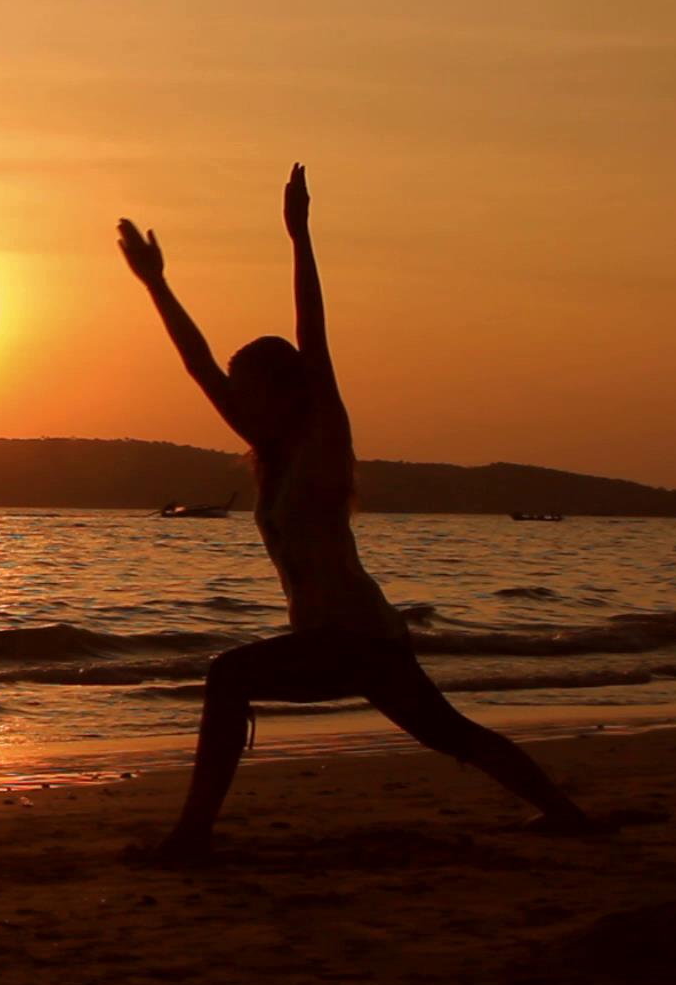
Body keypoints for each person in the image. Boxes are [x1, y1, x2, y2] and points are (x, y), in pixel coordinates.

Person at [116, 164, 595, 861]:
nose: (238, 401)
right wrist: (156, 283)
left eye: (251, 389)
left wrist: (300, 237)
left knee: (234, 678)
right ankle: (565, 814)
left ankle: (192, 835)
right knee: (448, 732)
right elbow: (198, 368)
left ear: (286, 391)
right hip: (350, 640)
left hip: (358, 638)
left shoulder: (322, 441)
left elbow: (315, 338)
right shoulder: (270, 453)